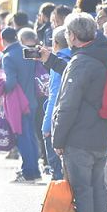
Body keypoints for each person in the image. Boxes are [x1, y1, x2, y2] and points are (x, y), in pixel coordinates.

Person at [51, 13, 107, 212]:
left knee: (82, 193)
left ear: (73, 36)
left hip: (79, 136)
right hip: (99, 134)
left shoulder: (80, 62)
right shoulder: (103, 56)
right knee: (98, 192)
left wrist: (58, 137)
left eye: (67, 33)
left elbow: (68, 104)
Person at [1, 27, 41, 182]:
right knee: (30, 136)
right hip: (32, 100)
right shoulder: (28, 51)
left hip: (18, 103)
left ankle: (28, 172)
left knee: (22, 137)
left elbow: (10, 82)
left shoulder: (8, 57)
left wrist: (0, 88)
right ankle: (35, 170)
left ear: (2, 39)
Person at [42, 26, 72, 181]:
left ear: (55, 42)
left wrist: (46, 126)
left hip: (58, 119)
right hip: (76, 120)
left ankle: (59, 201)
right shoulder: (76, 59)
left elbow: (54, 97)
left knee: (58, 172)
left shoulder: (58, 63)